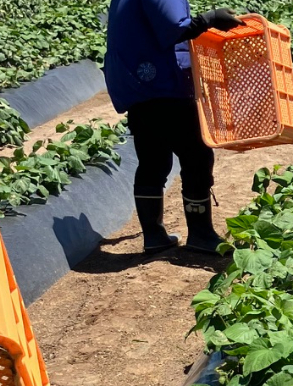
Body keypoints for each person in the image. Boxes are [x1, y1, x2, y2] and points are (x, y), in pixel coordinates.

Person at [104, 0, 244, 254]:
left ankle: (154, 235)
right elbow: (174, 27)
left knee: (153, 160)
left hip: (136, 83)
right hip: (162, 83)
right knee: (197, 156)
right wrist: (210, 19)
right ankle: (201, 235)